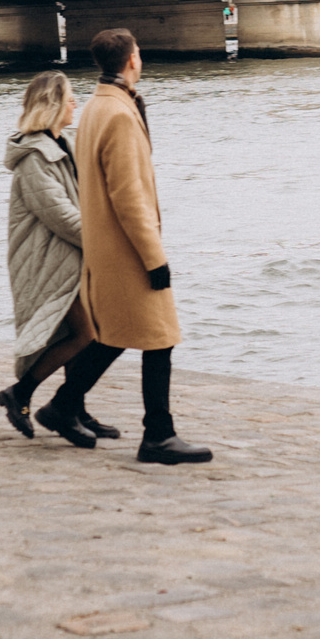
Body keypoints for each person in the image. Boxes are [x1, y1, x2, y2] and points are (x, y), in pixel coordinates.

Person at [34, 27, 210, 464]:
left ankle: (61, 406)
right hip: (129, 248)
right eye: (139, 52)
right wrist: (155, 258)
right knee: (159, 338)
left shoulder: (96, 106)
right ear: (133, 59)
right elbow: (128, 196)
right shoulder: (118, 113)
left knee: (116, 336)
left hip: (107, 248)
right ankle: (158, 436)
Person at [0, 72, 100, 438]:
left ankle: (74, 410)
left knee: (76, 331)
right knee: (87, 334)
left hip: (70, 256)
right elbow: (60, 215)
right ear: (53, 105)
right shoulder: (34, 157)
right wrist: (108, 242)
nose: (76, 105)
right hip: (48, 260)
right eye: (71, 99)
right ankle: (19, 394)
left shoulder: (63, 145)